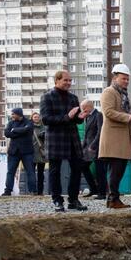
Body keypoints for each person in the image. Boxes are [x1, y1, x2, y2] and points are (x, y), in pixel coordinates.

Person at [39, 70, 88, 212]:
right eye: (65, 80)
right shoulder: (47, 97)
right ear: (57, 81)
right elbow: (46, 119)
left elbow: (76, 120)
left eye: (69, 80)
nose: (68, 83)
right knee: (55, 171)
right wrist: (67, 116)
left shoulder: (73, 98)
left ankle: (73, 200)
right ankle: (57, 200)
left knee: (77, 169)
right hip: (56, 139)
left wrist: (81, 117)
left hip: (72, 138)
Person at [99, 63, 131, 209]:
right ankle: (112, 198)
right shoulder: (109, 92)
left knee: (119, 169)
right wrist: (129, 117)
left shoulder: (122, 94)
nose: (126, 82)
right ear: (115, 77)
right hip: (113, 138)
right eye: (124, 79)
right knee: (115, 170)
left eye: (127, 79)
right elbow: (109, 112)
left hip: (121, 137)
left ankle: (114, 198)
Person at [2, 107, 36, 195]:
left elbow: (27, 129)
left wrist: (14, 131)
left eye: (13, 114)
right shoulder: (10, 123)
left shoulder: (29, 122)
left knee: (30, 171)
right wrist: (20, 132)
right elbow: (7, 133)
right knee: (10, 172)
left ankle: (33, 191)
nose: (12, 115)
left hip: (27, 152)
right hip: (14, 152)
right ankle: (8, 191)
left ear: (18, 114)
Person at [79, 100, 103, 199]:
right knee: (83, 166)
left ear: (88, 106)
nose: (82, 110)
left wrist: (93, 145)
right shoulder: (87, 117)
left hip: (95, 147)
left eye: (83, 108)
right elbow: (86, 133)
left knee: (99, 170)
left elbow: (100, 131)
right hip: (86, 148)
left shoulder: (98, 115)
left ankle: (102, 193)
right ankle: (93, 189)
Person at [31, 113, 47, 195]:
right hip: (32, 152)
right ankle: (33, 191)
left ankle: (40, 191)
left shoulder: (43, 127)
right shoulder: (30, 127)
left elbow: (47, 138)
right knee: (32, 173)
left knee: (41, 173)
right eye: (35, 117)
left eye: (37, 117)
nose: (36, 118)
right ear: (32, 118)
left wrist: (43, 135)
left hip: (41, 152)